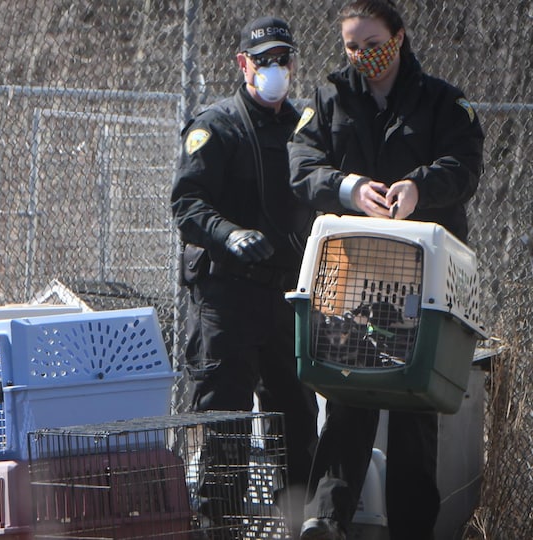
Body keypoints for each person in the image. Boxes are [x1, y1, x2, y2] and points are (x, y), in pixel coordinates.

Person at [287, 1, 484, 539]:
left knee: (414, 407)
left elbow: (464, 165)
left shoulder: (442, 102)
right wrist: (349, 188)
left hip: (423, 284)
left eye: (373, 43)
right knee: (349, 396)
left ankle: (413, 528)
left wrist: (419, 187)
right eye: (352, 45)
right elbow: (303, 166)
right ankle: (325, 522)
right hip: (351, 279)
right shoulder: (331, 99)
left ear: (399, 37)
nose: (362, 56)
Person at [171, 15, 319, 539]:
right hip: (226, 297)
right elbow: (187, 204)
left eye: (283, 59)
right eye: (264, 61)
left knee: (297, 423)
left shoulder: (306, 128)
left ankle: (299, 526)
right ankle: (220, 529)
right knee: (224, 425)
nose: (275, 70)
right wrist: (227, 233)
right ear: (244, 65)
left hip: (286, 295)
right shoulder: (218, 125)